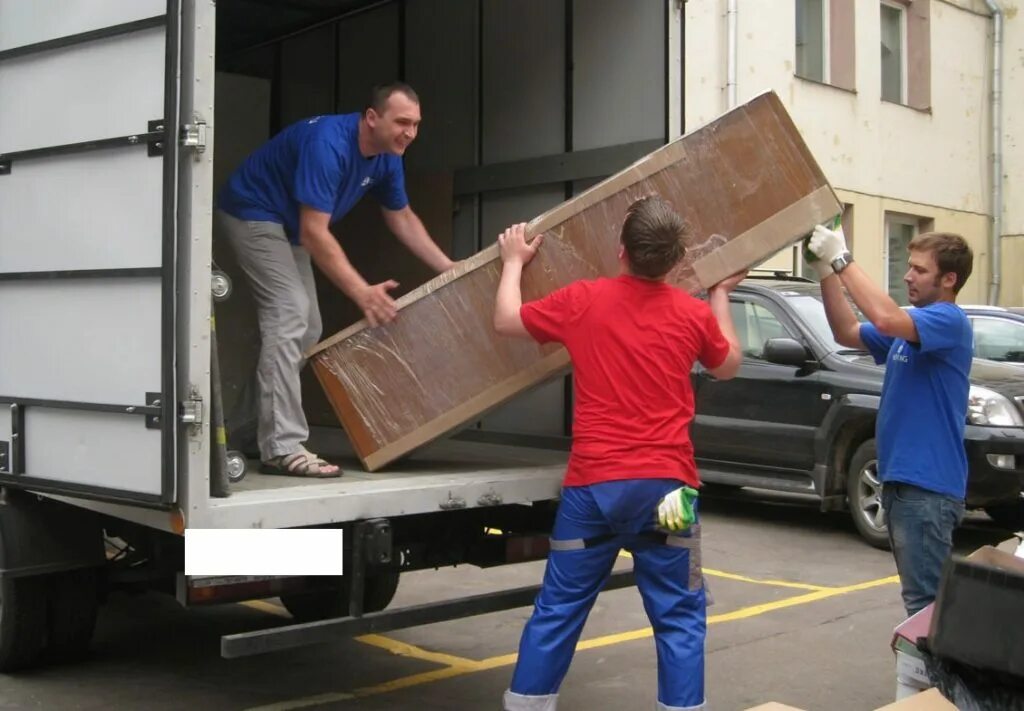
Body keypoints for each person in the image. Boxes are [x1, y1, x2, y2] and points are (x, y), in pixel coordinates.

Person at [493, 196, 745, 711]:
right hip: (672, 491)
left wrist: (514, 262)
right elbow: (728, 366)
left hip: (593, 489)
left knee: (559, 607)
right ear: (676, 261)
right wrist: (719, 294)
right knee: (682, 610)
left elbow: (506, 321)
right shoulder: (693, 315)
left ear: (621, 251)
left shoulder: (584, 299)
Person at [216, 82, 455, 477]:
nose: (410, 133)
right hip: (252, 211)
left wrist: (448, 267)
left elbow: (403, 217)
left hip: (290, 227)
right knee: (290, 313)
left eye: (416, 124)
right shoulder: (328, 144)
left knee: (307, 328)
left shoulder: (386, 155)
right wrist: (362, 292)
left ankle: (249, 431)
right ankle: (282, 446)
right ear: (372, 117)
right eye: (402, 122)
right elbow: (315, 232)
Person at [806, 224, 974, 617]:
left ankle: (932, 680)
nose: (907, 275)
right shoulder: (912, 326)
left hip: (927, 488)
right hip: (902, 484)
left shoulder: (947, 321)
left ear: (949, 279)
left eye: (919, 270)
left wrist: (841, 259)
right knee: (920, 603)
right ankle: (922, 680)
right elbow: (847, 332)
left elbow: (883, 317)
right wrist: (826, 276)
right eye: (910, 267)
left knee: (926, 607)